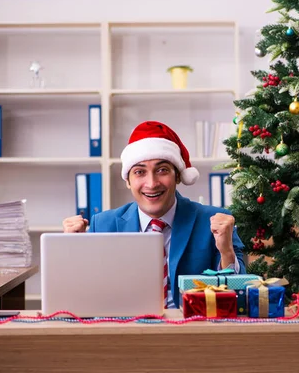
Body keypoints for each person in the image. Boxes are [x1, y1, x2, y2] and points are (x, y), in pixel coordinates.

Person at [62, 121, 245, 308]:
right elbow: (83, 300)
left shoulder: (214, 221)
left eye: (162, 170)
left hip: (191, 330)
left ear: (178, 176)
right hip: (127, 330)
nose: (152, 183)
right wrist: (72, 252)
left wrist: (226, 251)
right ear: (128, 181)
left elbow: (239, 297)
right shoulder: (102, 224)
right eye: (139, 172)